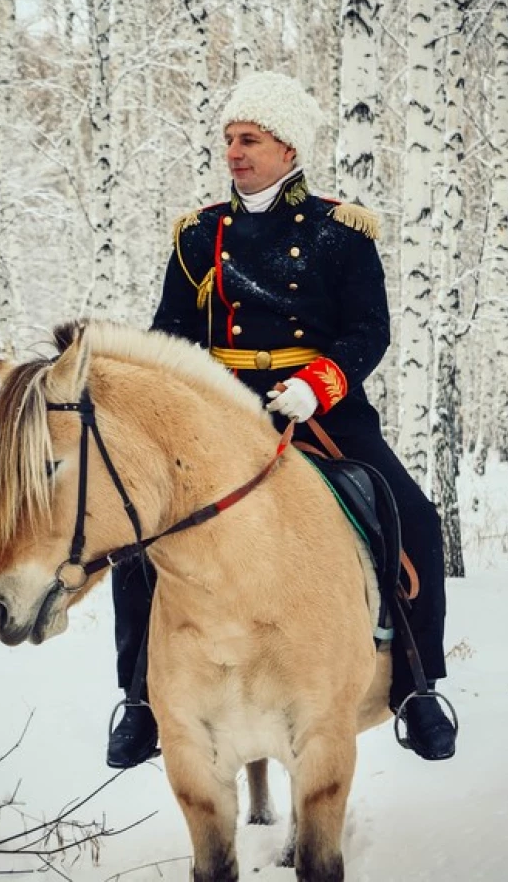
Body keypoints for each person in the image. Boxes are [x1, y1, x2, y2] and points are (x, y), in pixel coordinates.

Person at [107, 71, 457, 769]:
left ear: (288, 146)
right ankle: (142, 699)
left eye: (250, 139)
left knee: (415, 518)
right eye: (229, 140)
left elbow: (368, 330)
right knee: (138, 539)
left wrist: (317, 384)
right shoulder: (198, 235)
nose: (234, 152)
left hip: (319, 410)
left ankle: (419, 688)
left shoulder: (341, 233)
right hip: (222, 411)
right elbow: (170, 334)